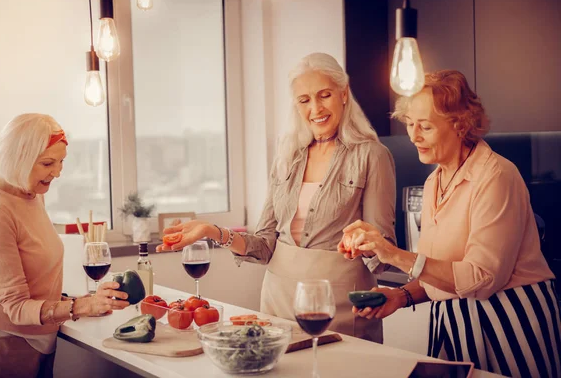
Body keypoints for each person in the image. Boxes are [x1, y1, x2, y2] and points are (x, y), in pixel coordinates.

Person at [158, 53, 396, 342]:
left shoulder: (372, 155)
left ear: (343, 94)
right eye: (304, 100)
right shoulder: (287, 156)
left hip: (341, 302)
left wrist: (367, 244)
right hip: (279, 299)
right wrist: (213, 232)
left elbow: (384, 254)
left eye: (324, 95)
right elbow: (264, 245)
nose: (316, 108)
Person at [339, 70, 561, 377]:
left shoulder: (496, 177)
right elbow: (443, 269)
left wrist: (392, 253)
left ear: (460, 125)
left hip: (509, 322)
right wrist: (402, 296)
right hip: (454, 323)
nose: (414, 135)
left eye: (425, 126)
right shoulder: (434, 181)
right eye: (410, 124)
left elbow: (481, 277)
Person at [0, 114, 130, 378]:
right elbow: (16, 307)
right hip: (0, 343)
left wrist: (84, 302)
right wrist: (82, 307)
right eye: (48, 163)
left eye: (61, 161)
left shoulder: (30, 194)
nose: (58, 171)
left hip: (35, 341)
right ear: (18, 160)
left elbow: (37, 286)